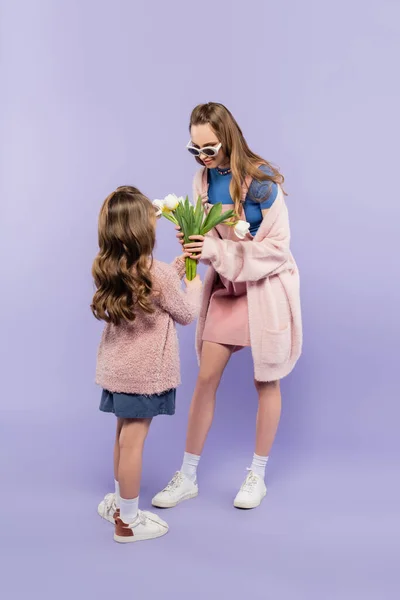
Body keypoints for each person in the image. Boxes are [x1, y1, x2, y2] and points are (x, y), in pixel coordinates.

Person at [151, 102, 302, 510]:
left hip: (264, 291)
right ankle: (187, 475)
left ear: (228, 138)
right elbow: (209, 238)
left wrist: (218, 248)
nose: (203, 157)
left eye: (210, 148)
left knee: (266, 380)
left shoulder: (262, 182)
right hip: (228, 289)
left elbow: (278, 250)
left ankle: (258, 473)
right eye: (195, 150)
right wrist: (196, 247)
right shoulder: (204, 179)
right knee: (206, 379)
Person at [93, 186, 202, 542]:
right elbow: (186, 312)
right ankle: (129, 521)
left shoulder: (110, 268)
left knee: (123, 437)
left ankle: (117, 504)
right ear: (143, 231)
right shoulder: (159, 276)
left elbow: (152, 289)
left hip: (117, 370)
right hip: (144, 376)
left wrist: (175, 270)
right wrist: (194, 281)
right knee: (135, 441)